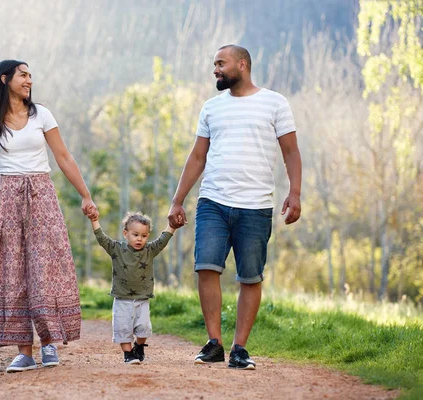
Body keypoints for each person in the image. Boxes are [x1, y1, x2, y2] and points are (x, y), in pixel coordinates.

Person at [167, 45, 302, 370]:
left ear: (242, 64)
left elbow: (291, 152)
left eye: (221, 64)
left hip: (256, 206)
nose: (215, 69)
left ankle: (240, 348)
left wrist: (294, 193)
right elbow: (197, 156)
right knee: (206, 267)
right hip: (213, 201)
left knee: (250, 277)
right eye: (214, 64)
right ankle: (214, 343)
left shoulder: (274, 103)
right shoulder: (212, 108)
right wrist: (178, 199)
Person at [0, 59, 98, 373]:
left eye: (30, 76)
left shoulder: (42, 114)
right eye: (23, 75)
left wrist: (85, 195)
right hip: (8, 197)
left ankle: (49, 344)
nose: (29, 80)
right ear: (4, 79)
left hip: (42, 196)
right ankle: (24, 352)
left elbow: (63, 156)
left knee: (45, 269)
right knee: (12, 273)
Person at [89, 211, 176, 364]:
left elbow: (163, 240)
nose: (139, 239)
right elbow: (102, 239)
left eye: (144, 236)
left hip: (142, 299)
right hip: (122, 299)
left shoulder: (149, 251)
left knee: (143, 328)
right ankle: (128, 354)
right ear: (126, 233)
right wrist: (94, 220)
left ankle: (139, 346)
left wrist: (172, 227)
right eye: (135, 234)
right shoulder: (117, 249)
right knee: (123, 329)